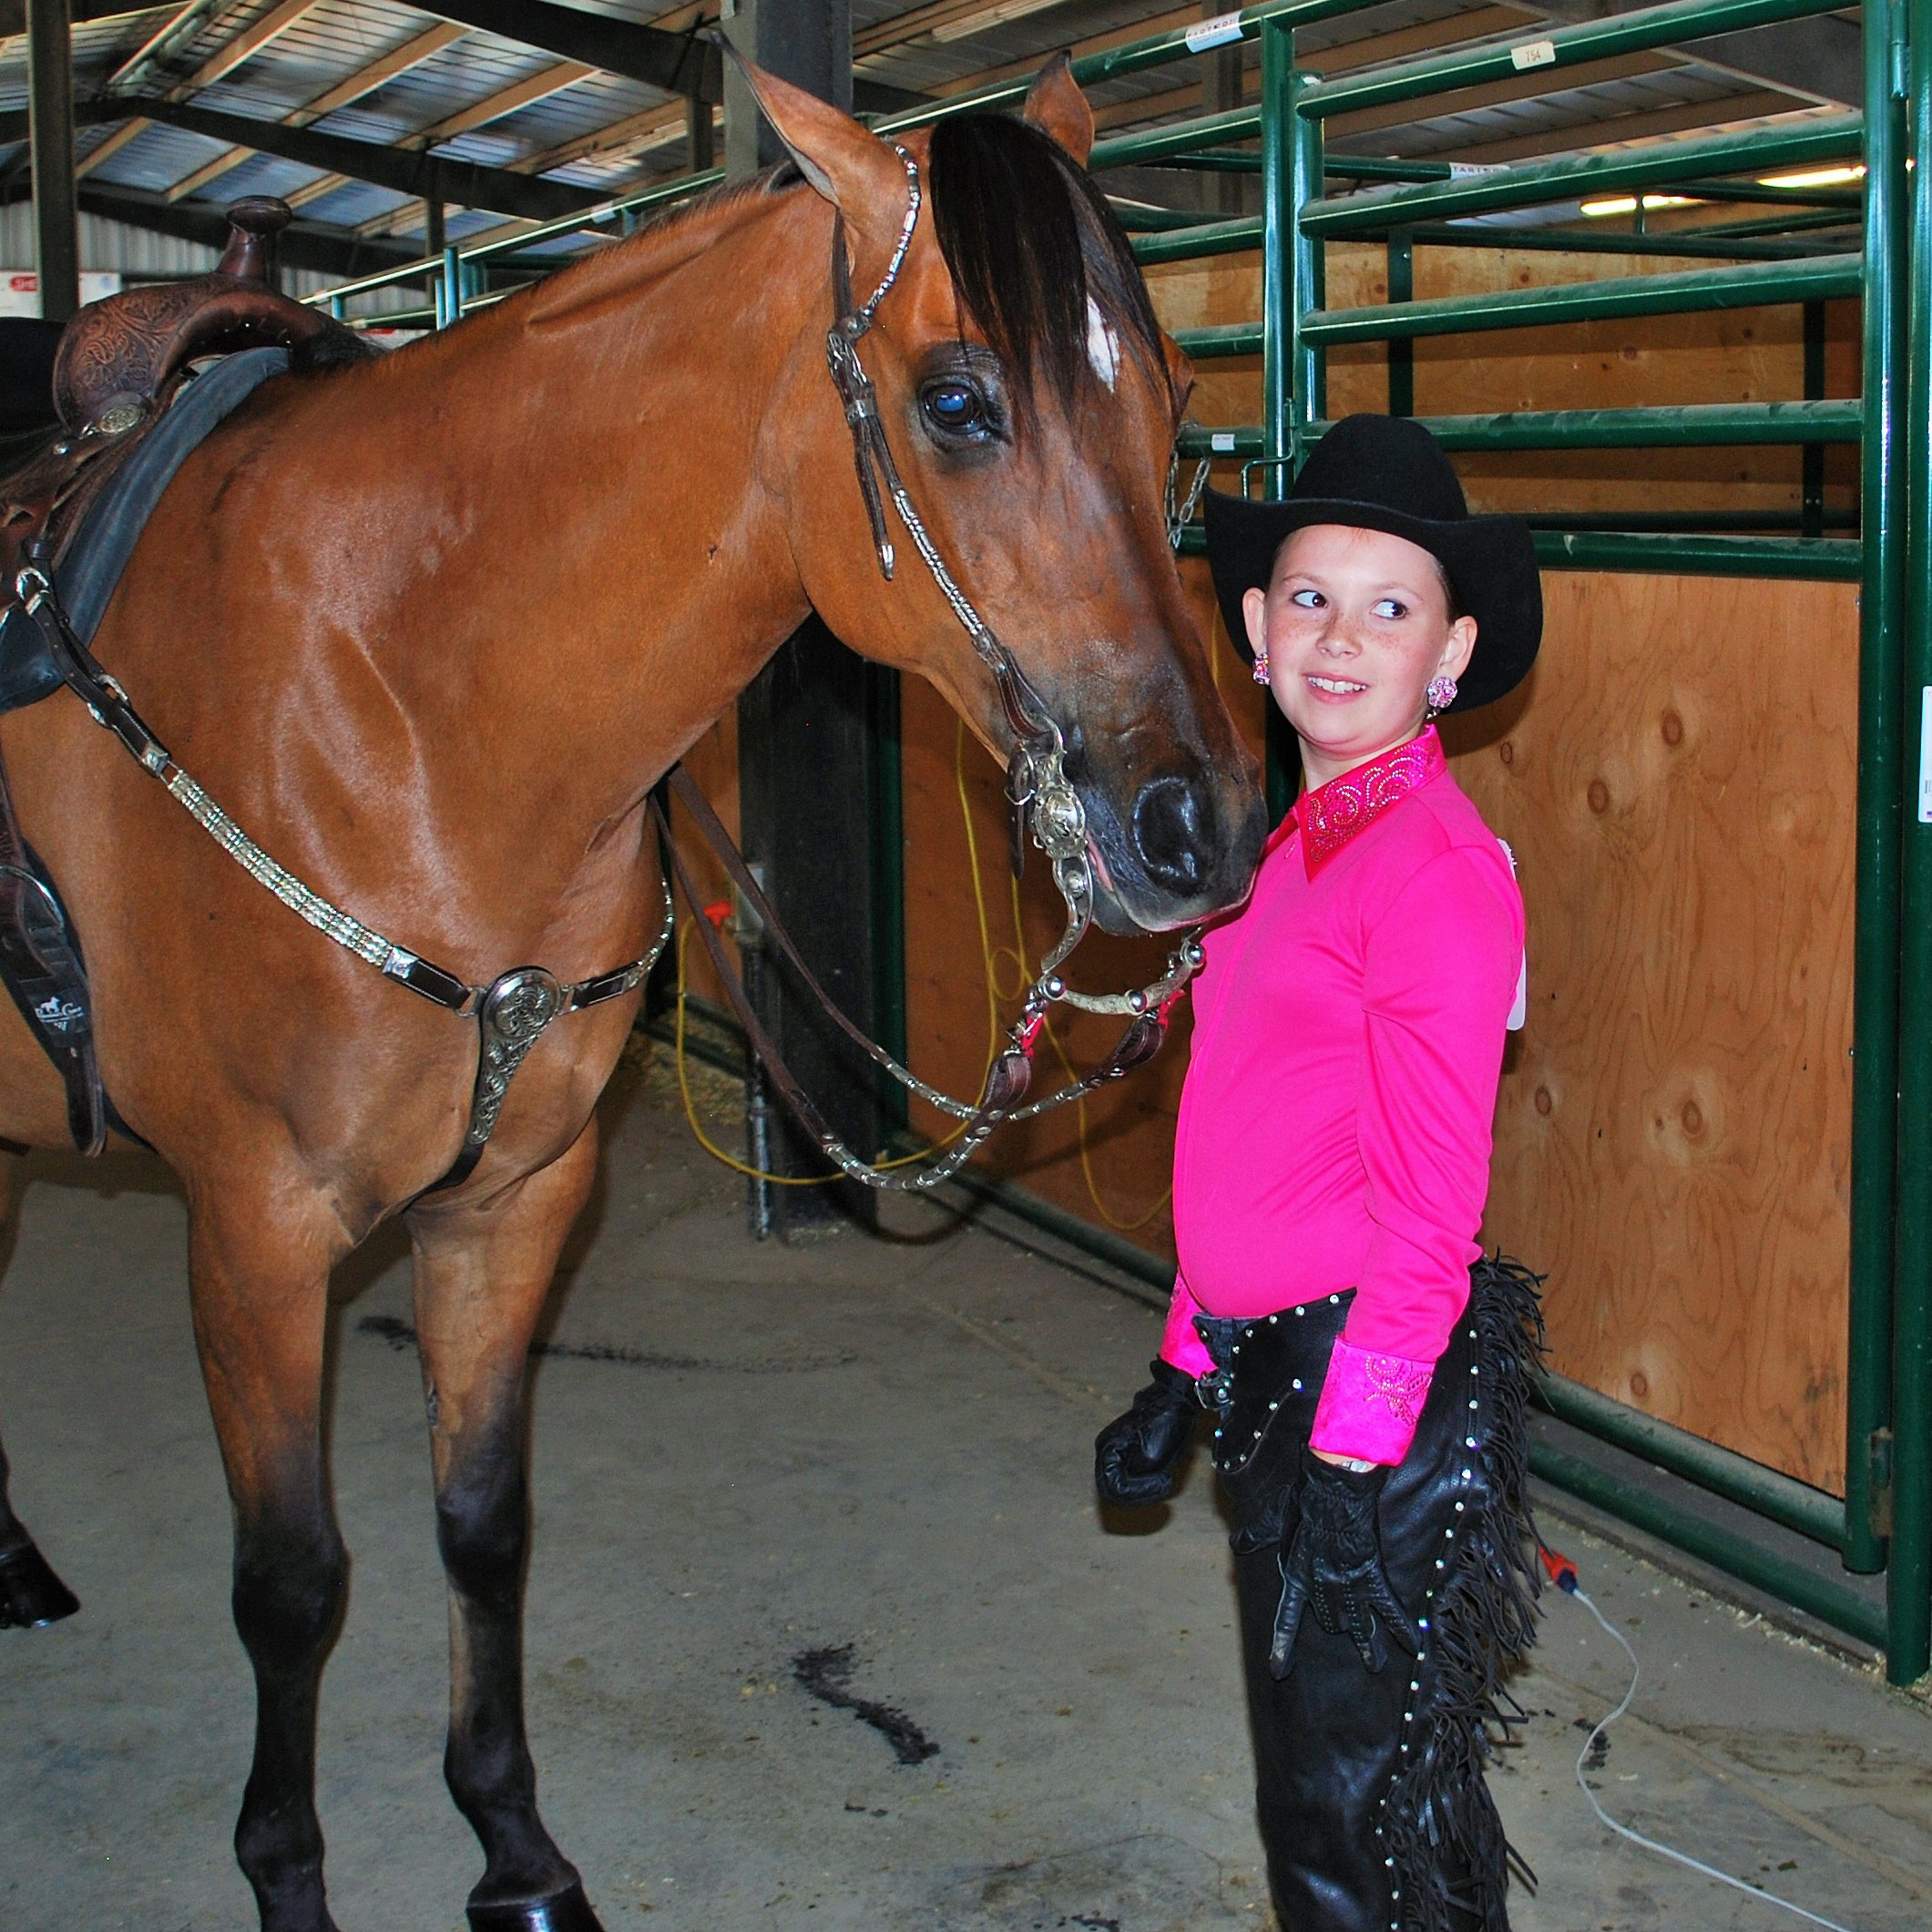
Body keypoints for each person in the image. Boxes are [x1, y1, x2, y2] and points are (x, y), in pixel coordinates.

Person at [1097, 414, 1546, 1932]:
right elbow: (1243, 1131)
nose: (1338, 639)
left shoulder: (1432, 868)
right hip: (1274, 1373)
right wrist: (1181, 1364)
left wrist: (1357, 1446)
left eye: (1388, 607)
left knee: (1345, 1811)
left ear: (1452, 650)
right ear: (1250, 625)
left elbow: (1433, 1199)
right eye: (1306, 598)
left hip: (1369, 1382)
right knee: (1354, 1789)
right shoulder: (1286, 851)